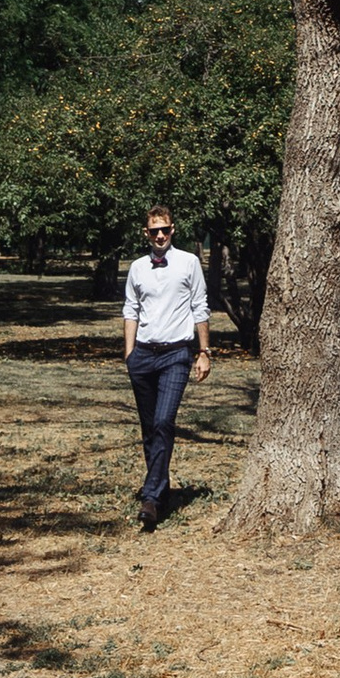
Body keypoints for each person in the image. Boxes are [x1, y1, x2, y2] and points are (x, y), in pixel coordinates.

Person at [121, 204, 211, 533]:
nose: (160, 235)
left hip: (176, 354)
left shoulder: (189, 263)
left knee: (163, 421)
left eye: (165, 229)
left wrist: (204, 351)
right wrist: (129, 354)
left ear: (173, 230)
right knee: (150, 429)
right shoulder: (137, 268)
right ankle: (161, 494)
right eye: (154, 230)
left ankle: (150, 498)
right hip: (143, 356)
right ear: (146, 233)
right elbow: (131, 309)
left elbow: (200, 306)